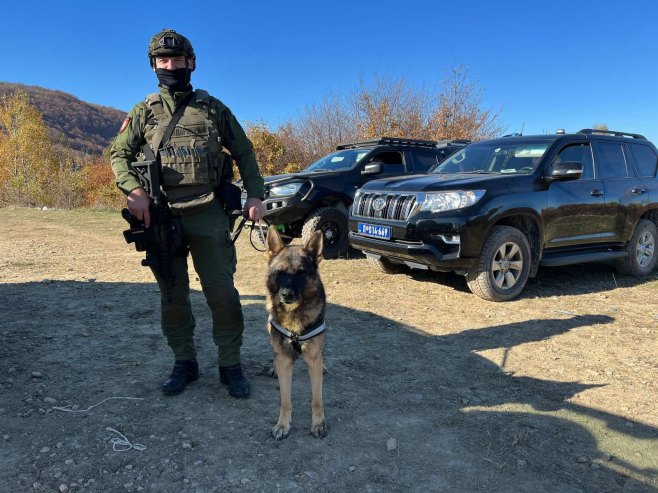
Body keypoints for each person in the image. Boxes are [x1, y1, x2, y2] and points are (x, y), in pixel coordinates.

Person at [110, 29, 265, 398]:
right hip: (163, 217)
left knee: (223, 295)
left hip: (209, 213)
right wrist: (134, 192)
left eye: (176, 60)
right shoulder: (143, 112)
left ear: (190, 63)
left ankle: (230, 364)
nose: (170, 66)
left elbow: (244, 152)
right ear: (153, 65)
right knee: (173, 297)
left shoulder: (212, 108)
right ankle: (184, 363)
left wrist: (255, 196)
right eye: (162, 61)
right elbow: (119, 155)